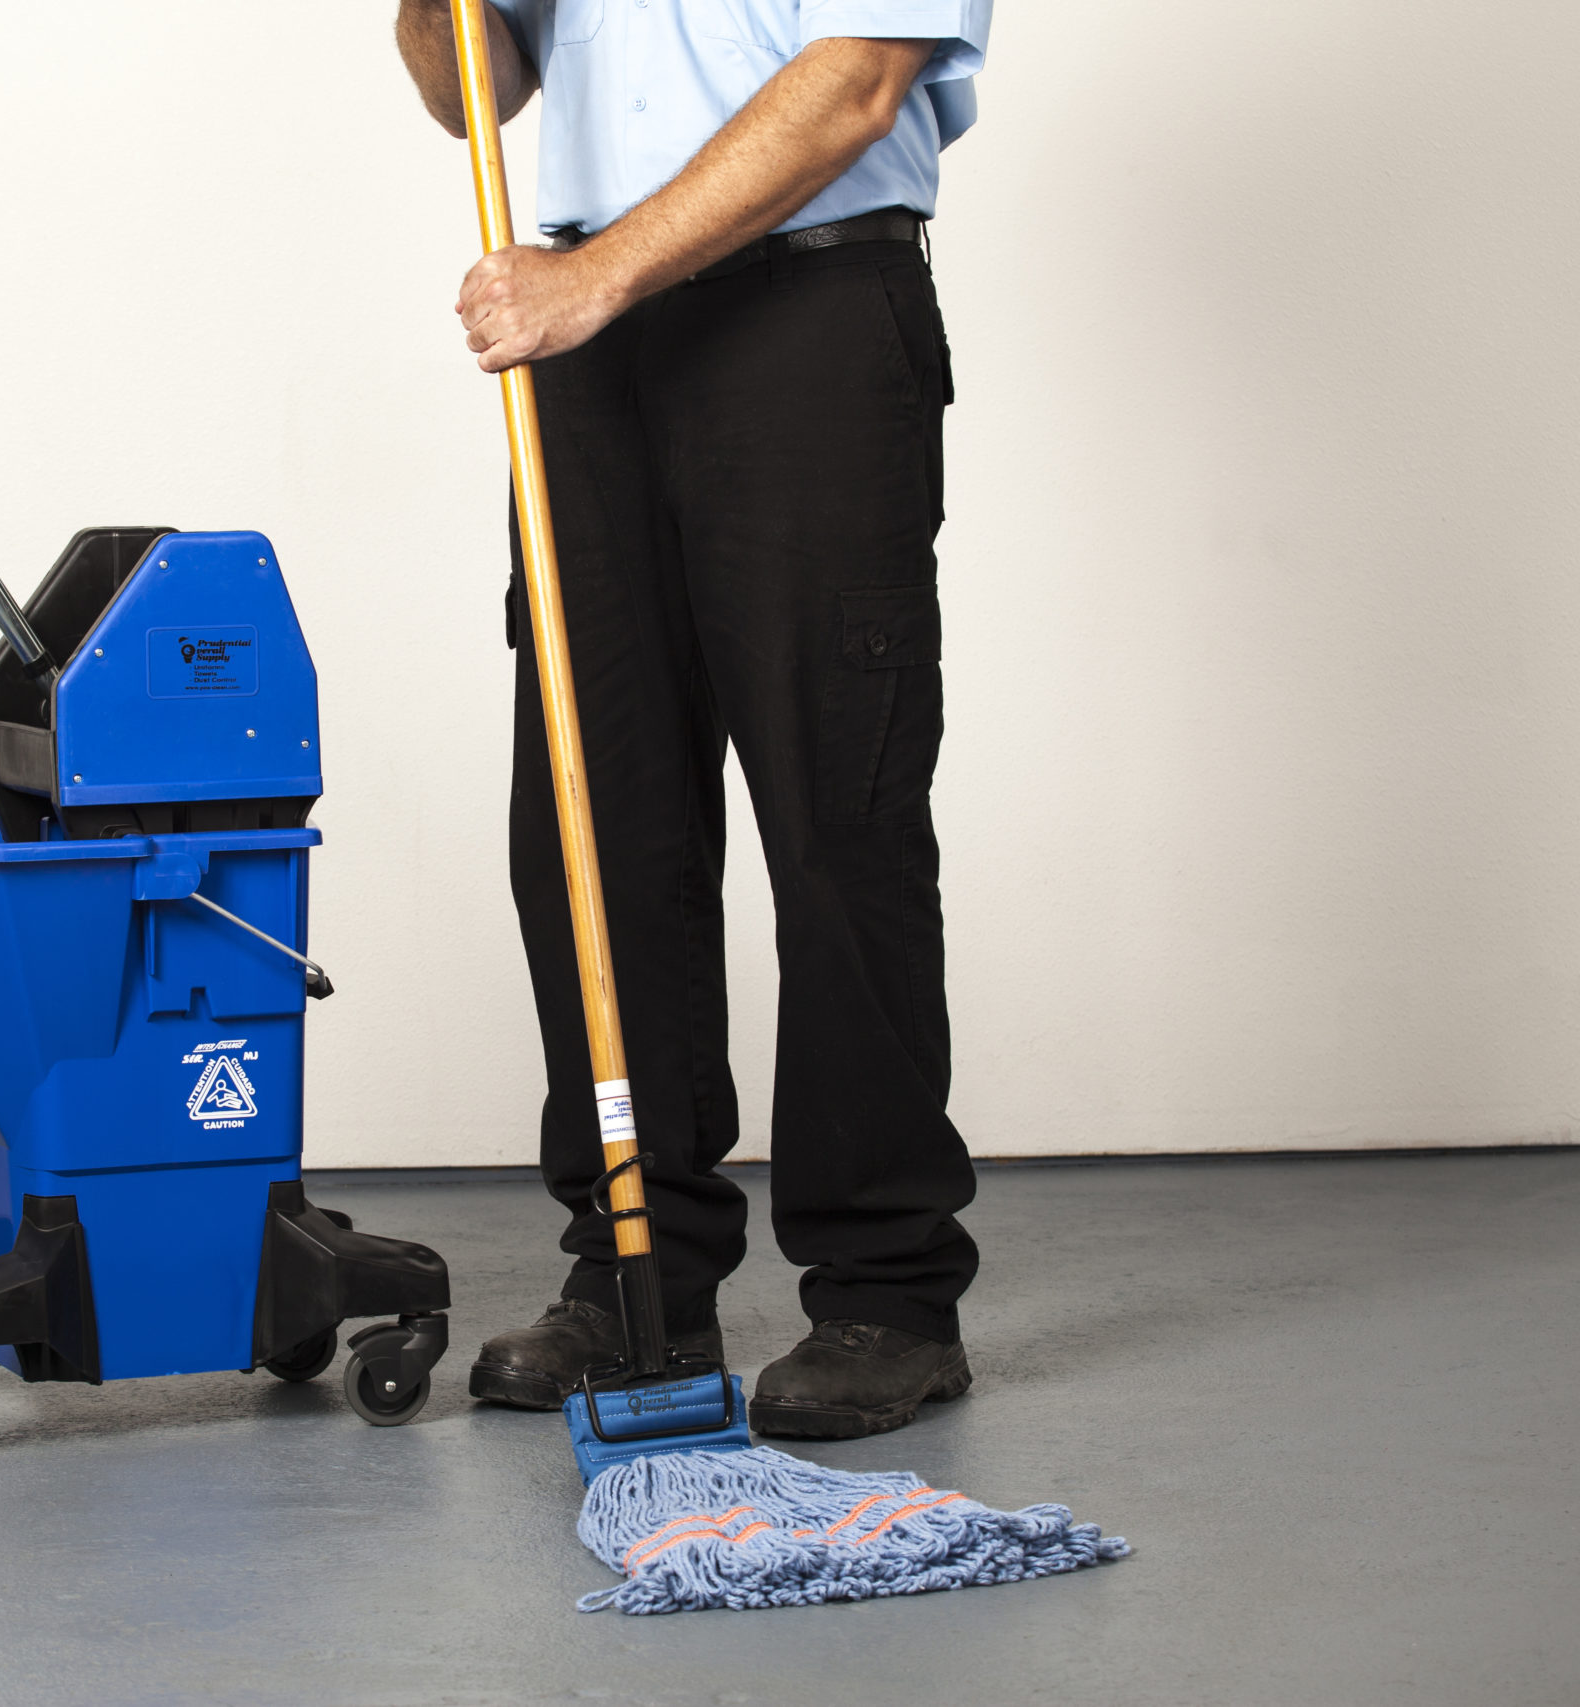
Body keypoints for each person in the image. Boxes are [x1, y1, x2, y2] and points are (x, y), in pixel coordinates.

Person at [393, 0, 993, 1440]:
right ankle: (633, 1271)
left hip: (813, 313)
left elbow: (856, 83)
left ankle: (887, 1293)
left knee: (833, 812)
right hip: (591, 345)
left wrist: (590, 278)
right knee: (598, 825)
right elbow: (467, 81)